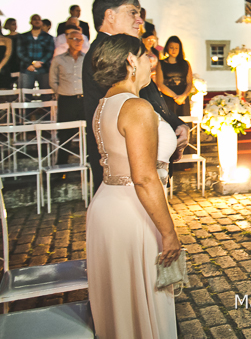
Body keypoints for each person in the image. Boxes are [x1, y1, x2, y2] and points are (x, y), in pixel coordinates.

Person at [86, 34, 180, 339]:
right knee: (145, 298)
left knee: (122, 303)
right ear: (129, 61)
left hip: (107, 205)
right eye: (145, 56)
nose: (151, 62)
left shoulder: (103, 105)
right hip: (133, 211)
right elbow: (144, 176)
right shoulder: (136, 106)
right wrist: (169, 233)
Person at [83, 0, 188, 193]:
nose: (140, 20)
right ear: (110, 16)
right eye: (133, 12)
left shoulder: (123, 48)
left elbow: (150, 95)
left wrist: (177, 124)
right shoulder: (103, 53)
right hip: (125, 162)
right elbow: (131, 106)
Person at [49, 28, 85, 164]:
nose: (78, 42)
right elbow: (53, 80)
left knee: (88, 133)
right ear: (68, 41)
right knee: (65, 135)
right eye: (74, 39)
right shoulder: (58, 59)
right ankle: (61, 167)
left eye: (80, 39)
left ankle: (89, 164)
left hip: (83, 100)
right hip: (66, 100)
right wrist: (62, 92)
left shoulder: (87, 59)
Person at [156, 36, 193, 117]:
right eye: (171, 47)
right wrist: (176, 97)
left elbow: (189, 82)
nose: (174, 50)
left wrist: (183, 96)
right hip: (168, 98)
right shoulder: (161, 63)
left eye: (176, 48)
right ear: (167, 48)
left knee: (184, 122)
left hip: (183, 98)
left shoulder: (185, 64)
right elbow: (160, 83)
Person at [17, 14, 54, 89]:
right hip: (27, 68)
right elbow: (20, 52)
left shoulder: (48, 37)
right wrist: (32, 63)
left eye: (39, 20)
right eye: (34, 19)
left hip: (44, 69)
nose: (37, 21)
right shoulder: (23, 36)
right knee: (25, 95)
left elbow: (50, 52)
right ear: (30, 22)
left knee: (46, 94)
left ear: (41, 22)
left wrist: (40, 62)